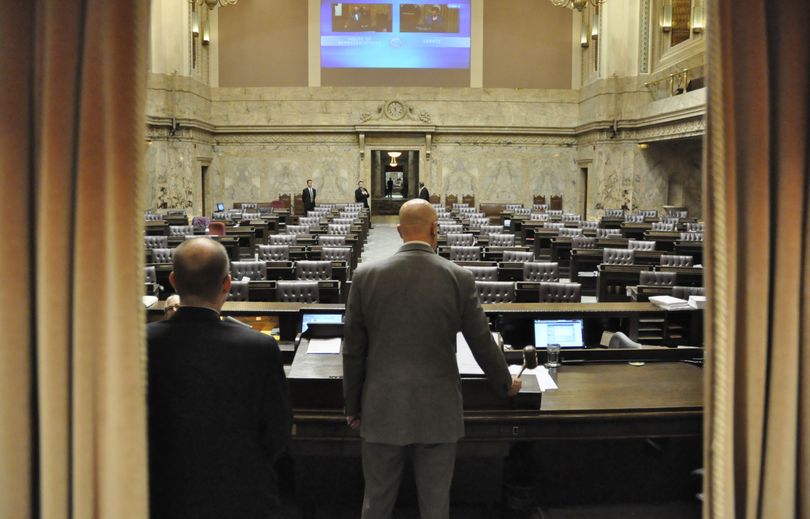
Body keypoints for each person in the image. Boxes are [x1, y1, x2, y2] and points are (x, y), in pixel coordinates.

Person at [343, 199, 521, 519]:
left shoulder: (365, 275)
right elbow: (481, 341)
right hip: (438, 409)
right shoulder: (458, 277)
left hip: (382, 407)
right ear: (434, 229)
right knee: (436, 506)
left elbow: (353, 350)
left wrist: (353, 407)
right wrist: (506, 384)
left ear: (399, 232)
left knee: (376, 502)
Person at [147, 237, 292, 519]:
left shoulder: (137, 344)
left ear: (173, 281)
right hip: (242, 496)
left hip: (161, 496)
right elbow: (278, 431)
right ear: (227, 283)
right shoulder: (259, 348)